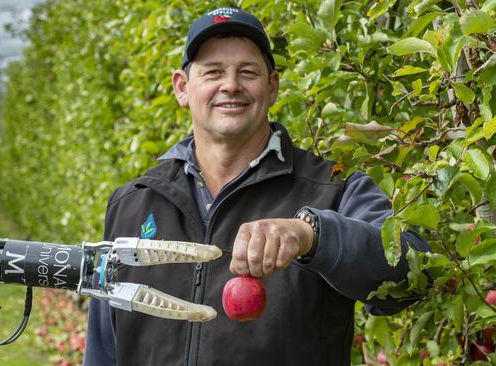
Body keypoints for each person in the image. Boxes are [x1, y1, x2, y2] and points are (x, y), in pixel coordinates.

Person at [83, 7, 427, 366]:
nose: (230, 85)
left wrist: (313, 235)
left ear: (272, 86)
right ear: (182, 88)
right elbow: (104, 346)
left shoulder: (334, 189)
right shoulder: (132, 202)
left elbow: (411, 274)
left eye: (247, 72)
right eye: (213, 72)